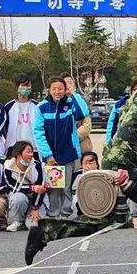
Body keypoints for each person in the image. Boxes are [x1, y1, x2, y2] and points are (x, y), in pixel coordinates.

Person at [26, 60, 137, 274]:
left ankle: (45, 231)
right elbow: (128, 127)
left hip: (124, 161)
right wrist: (123, 167)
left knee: (108, 220)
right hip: (121, 162)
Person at [33, 77, 87, 218]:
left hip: (68, 151)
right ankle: (54, 213)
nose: (57, 91)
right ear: (49, 90)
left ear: (64, 90)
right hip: (52, 155)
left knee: (66, 187)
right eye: (54, 89)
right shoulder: (42, 107)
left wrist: (72, 95)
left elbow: (82, 114)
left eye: (60, 89)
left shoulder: (70, 103)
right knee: (55, 187)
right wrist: (48, 154)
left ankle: (66, 213)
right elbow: (38, 132)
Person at [4, 140, 48, 231]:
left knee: (32, 226)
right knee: (18, 197)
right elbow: (12, 187)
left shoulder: (36, 165)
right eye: (28, 152)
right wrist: (31, 188)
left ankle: (30, 218)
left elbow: (41, 188)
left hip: (36, 199)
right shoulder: (8, 166)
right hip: (20, 197)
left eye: (32, 152)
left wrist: (35, 208)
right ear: (18, 154)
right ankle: (18, 221)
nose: (31, 154)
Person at [4, 75, 40, 151]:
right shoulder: (8, 107)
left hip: (34, 148)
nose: (26, 88)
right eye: (23, 85)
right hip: (14, 148)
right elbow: (5, 127)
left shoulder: (37, 106)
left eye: (28, 85)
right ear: (17, 87)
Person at [62, 73, 94, 157]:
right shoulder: (58, 102)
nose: (68, 85)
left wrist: (72, 138)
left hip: (82, 149)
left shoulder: (79, 100)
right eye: (65, 83)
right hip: (63, 150)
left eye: (70, 82)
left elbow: (85, 118)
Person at [106, 79, 137, 144]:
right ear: (131, 90)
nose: (136, 92)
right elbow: (111, 124)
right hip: (119, 142)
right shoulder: (119, 105)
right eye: (134, 89)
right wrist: (109, 142)